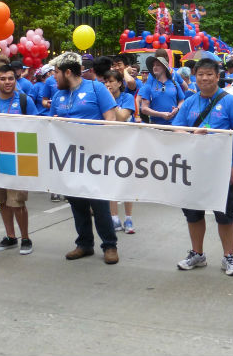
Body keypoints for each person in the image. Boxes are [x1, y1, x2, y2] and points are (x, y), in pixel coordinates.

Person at [173, 58, 233, 277]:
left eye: (209, 74)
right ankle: (197, 254)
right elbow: (176, 129)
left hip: (221, 169)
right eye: (201, 74)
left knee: (225, 214)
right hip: (194, 168)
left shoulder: (230, 101)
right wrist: (190, 134)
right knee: (193, 213)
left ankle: (228, 256)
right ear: (195, 76)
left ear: (217, 76)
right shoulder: (189, 102)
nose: (205, 78)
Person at [50, 55, 120, 264]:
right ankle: (84, 244)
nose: (54, 77)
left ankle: (109, 245)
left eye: (56, 73)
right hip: (69, 159)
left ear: (68, 72)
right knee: (77, 202)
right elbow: (51, 124)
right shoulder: (58, 96)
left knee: (99, 203)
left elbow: (111, 118)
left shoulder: (96, 89)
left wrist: (98, 143)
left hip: (94, 157)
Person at [0, 65, 35, 255]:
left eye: (11, 78)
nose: (7, 82)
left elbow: (35, 128)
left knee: (18, 202)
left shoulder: (24, 101)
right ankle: (10, 237)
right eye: (3, 79)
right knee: (2, 201)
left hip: (18, 157)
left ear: (16, 80)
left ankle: (26, 238)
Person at [102, 69, 137, 234]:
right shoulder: (102, 98)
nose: (108, 85)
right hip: (109, 144)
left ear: (120, 83)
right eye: (106, 82)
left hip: (127, 144)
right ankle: (114, 218)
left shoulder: (128, 98)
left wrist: (109, 99)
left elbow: (121, 117)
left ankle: (129, 218)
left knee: (127, 182)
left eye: (111, 81)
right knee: (111, 182)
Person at [138, 54, 184, 125]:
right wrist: (161, 114)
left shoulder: (175, 84)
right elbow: (144, 109)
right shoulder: (148, 86)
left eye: (158, 65)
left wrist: (177, 109)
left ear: (165, 68)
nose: (154, 67)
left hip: (174, 125)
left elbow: (182, 101)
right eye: (153, 65)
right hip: (155, 126)